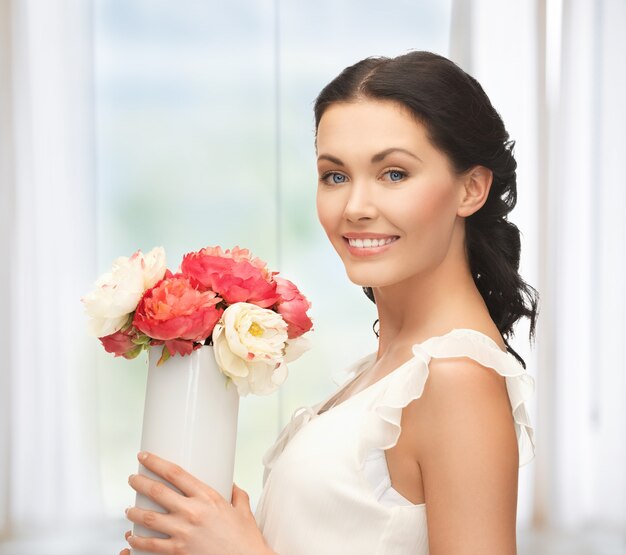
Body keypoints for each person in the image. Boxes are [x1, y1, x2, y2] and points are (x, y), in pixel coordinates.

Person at [121, 50, 538, 555]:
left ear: (470, 189)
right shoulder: (390, 367)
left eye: (394, 174)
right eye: (335, 176)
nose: (356, 208)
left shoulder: (454, 377)